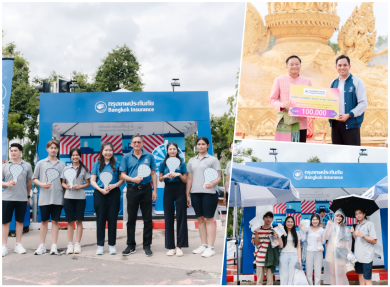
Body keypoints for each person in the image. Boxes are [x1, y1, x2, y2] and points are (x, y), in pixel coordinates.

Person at [120, 135, 157, 257]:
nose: (136, 144)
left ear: (142, 143)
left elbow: (153, 174)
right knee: (131, 220)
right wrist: (133, 179)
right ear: (131, 144)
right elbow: (122, 175)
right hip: (132, 189)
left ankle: (147, 245)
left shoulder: (149, 156)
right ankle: (131, 245)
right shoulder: (126, 157)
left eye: (138, 142)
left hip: (146, 189)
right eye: (134, 142)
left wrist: (154, 191)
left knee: (147, 219)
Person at [187, 136, 221, 258]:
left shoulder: (213, 160)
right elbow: (189, 179)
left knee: (208, 219)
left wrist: (212, 184)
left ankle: (211, 247)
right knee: (200, 219)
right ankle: (204, 245)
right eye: (199, 144)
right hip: (195, 193)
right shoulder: (191, 161)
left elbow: (219, 177)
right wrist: (187, 194)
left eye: (203, 144)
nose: (200, 146)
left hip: (209, 193)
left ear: (207, 146)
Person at [32, 140, 65, 255]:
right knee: (44, 221)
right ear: (47, 149)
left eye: (55, 148)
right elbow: (34, 178)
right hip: (44, 198)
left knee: (55, 222)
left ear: (58, 150)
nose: (53, 150)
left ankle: (54, 246)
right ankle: (42, 246)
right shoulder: (40, 163)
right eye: (51, 148)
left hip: (57, 197)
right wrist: (42, 185)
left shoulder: (62, 165)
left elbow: (63, 182)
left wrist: (64, 196)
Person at [269, 55, 313, 142]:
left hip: (301, 124)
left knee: (299, 150)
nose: (294, 66)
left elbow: (311, 101)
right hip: (284, 122)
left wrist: (314, 112)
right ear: (286, 66)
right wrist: (281, 105)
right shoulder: (279, 80)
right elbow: (271, 100)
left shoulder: (307, 81)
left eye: (297, 64)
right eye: (291, 64)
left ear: (300, 66)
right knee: (283, 149)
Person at [90, 142, 124, 255]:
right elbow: (92, 181)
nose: (108, 152)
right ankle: (100, 245)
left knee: (112, 219)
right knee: (100, 219)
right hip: (100, 193)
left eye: (110, 150)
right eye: (106, 150)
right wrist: (100, 190)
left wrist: (114, 185)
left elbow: (122, 180)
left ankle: (111, 245)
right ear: (102, 151)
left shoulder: (117, 164)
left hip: (113, 193)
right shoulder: (96, 164)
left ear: (113, 151)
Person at [328, 55, 367, 145]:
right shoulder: (333, 82)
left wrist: (349, 115)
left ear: (349, 66)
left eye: (345, 65)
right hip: (336, 123)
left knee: (352, 154)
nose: (342, 67)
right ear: (336, 67)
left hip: (351, 124)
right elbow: (329, 102)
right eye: (340, 65)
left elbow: (363, 103)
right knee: (337, 153)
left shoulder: (357, 82)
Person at [2, 143, 32, 257]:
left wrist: (28, 196)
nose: (13, 152)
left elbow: (29, 182)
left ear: (20, 152)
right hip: (7, 198)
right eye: (11, 150)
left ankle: (18, 245)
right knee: (5, 222)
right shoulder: (4, 166)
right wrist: (7, 183)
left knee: (20, 221)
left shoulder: (27, 165)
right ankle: (4, 246)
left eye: (15, 150)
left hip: (21, 198)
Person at [158, 142, 188, 257]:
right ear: (167, 150)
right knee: (168, 218)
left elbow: (185, 179)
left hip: (180, 190)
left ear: (177, 150)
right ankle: (170, 247)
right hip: (168, 191)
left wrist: (178, 175)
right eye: (170, 149)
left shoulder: (182, 163)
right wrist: (165, 176)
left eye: (174, 149)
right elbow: (160, 179)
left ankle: (179, 246)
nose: (172, 151)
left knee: (181, 218)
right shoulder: (163, 163)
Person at [61, 148, 91, 255]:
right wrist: (66, 186)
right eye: (73, 155)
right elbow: (63, 183)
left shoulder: (84, 169)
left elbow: (88, 183)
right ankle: (70, 244)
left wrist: (80, 186)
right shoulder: (66, 168)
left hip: (80, 198)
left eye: (77, 155)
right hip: (69, 197)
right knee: (70, 222)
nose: (75, 157)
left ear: (80, 156)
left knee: (79, 221)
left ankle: (77, 244)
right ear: (70, 157)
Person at [323, 209, 352, 285]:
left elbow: (347, 243)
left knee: (340, 273)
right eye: (337, 216)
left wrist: (349, 253)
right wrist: (328, 226)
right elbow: (326, 238)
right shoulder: (331, 226)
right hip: (331, 252)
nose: (338, 218)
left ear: (343, 218)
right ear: (334, 216)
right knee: (332, 273)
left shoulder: (346, 229)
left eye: (340, 216)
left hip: (341, 253)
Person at [351, 208, 377, 285]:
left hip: (366, 257)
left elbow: (374, 241)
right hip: (358, 257)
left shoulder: (370, 224)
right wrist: (353, 233)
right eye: (356, 214)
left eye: (359, 213)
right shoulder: (357, 226)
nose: (358, 215)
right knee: (361, 275)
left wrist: (362, 235)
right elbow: (356, 240)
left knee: (367, 278)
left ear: (364, 214)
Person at [299, 214, 325, 285]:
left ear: (319, 220)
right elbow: (303, 239)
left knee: (318, 272)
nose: (315, 221)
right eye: (313, 219)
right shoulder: (307, 229)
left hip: (318, 253)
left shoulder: (322, 230)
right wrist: (301, 229)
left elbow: (324, 241)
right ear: (311, 220)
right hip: (309, 252)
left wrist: (321, 240)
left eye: (316, 219)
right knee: (309, 272)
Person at [252, 211, 276, 285]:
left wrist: (274, 238)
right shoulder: (257, 230)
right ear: (263, 218)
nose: (268, 219)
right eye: (267, 217)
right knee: (259, 281)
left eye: (270, 217)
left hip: (270, 258)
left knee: (270, 282)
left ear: (272, 219)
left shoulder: (274, 231)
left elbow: (275, 245)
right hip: (260, 258)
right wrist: (256, 232)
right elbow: (256, 244)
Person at [277, 216, 301, 285]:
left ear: (293, 223)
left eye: (291, 222)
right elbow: (280, 246)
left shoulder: (296, 233)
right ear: (285, 223)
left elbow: (298, 247)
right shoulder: (281, 233)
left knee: (292, 276)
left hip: (294, 255)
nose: (290, 223)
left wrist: (299, 259)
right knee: (283, 276)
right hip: (283, 255)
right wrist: (279, 236)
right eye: (288, 222)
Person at [223, 141, 233, 207]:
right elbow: (227, 180)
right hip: (229, 192)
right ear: (230, 150)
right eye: (233, 147)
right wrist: (224, 195)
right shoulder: (229, 164)